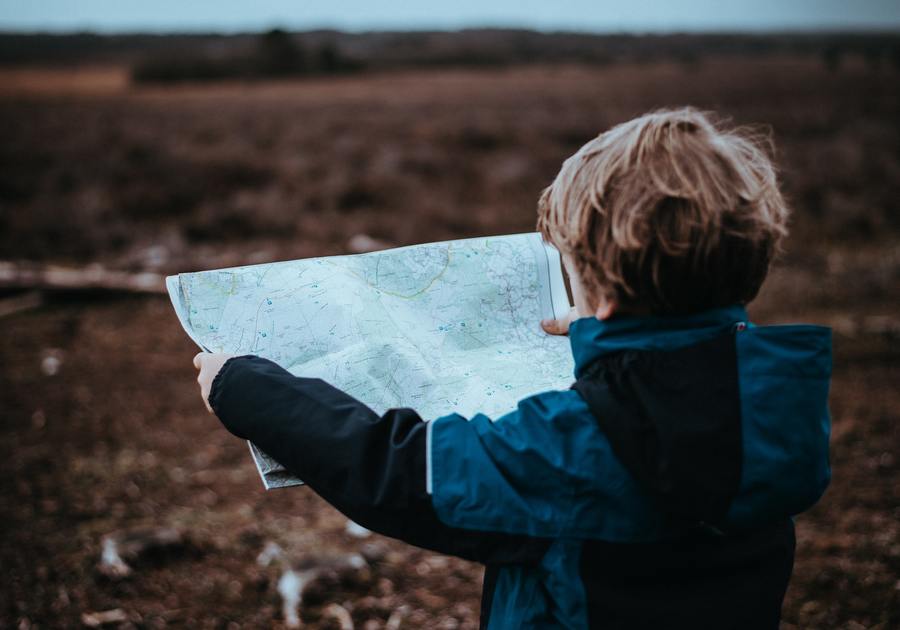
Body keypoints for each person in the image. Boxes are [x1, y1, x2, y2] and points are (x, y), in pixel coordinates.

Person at [193, 107, 831, 629]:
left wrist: (245, 387)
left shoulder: (576, 446)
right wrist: (604, 333)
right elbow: (681, 381)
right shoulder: (778, 406)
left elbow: (400, 473)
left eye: (572, 272)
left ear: (603, 293)